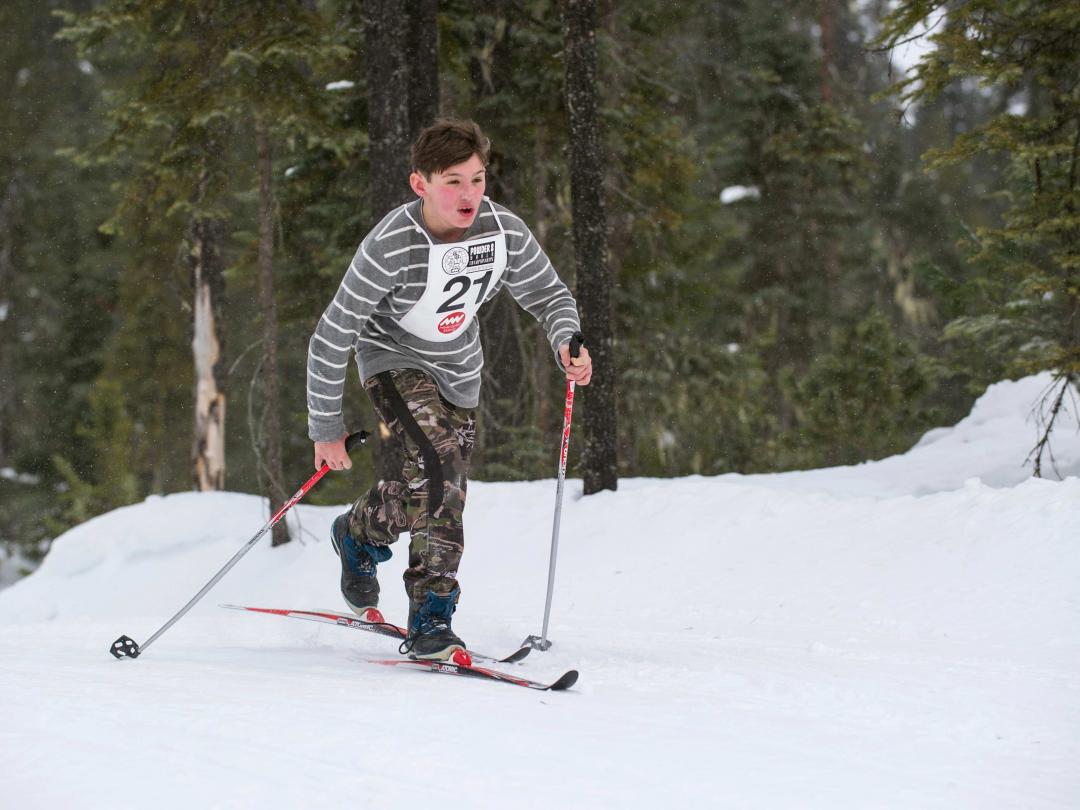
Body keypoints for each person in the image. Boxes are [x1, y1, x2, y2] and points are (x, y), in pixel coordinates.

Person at [306, 119, 592, 661]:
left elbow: (550, 294)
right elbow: (331, 335)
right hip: (391, 359)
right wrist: (326, 428)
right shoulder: (389, 246)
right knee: (442, 469)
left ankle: (360, 532)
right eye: (454, 181)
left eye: (478, 180)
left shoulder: (502, 231)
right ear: (421, 184)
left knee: (433, 489)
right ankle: (431, 619)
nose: (469, 195)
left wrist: (566, 340)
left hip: (459, 370)